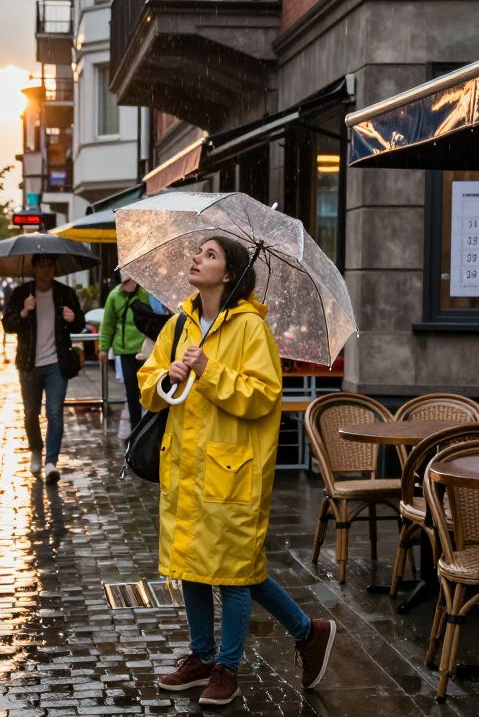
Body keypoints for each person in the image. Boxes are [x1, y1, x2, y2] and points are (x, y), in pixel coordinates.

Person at [138, 236, 336, 707]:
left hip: (232, 471)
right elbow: (148, 382)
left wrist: (209, 371)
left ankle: (228, 666)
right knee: (192, 565)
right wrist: (168, 377)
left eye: (209, 254)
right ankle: (207, 657)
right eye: (198, 252)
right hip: (186, 466)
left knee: (233, 571)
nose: (195, 258)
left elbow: (263, 397)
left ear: (228, 274)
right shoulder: (180, 324)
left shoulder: (251, 329)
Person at [2, 254, 85, 485]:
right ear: (34, 268)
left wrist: (74, 316)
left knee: (55, 412)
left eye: (50, 265)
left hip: (56, 364)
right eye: (42, 266)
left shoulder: (65, 293)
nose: (47, 271)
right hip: (29, 365)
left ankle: (51, 462)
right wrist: (23, 312)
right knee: (30, 414)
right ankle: (36, 449)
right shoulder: (21, 294)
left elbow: (79, 323)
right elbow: (7, 325)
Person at [98, 272, 151, 441]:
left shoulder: (144, 294)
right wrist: (103, 348)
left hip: (144, 351)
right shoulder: (114, 296)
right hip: (125, 351)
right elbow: (108, 324)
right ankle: (135, 432)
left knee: (148, 392)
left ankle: (146, 431)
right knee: (132, 393)